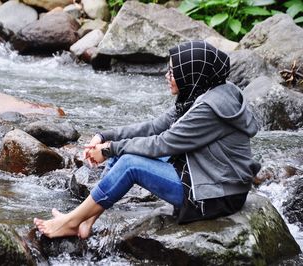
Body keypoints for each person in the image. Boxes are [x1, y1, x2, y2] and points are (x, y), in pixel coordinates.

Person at [34, 40, 261, 238]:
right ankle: (85, 221)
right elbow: (154, 127)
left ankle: (71, 221)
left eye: (173, 72)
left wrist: (108, 149)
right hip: (201, 171)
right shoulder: (202, 90)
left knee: (129, 163)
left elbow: (163, 143)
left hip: (215, 194)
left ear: (191, 74)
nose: (167, 76)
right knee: (121, 155)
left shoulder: (209, 108)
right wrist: (105, 137)